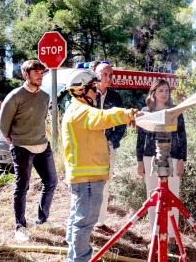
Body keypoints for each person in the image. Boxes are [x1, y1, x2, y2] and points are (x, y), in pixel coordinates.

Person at [62, 69, 139, 262]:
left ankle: (74, 257)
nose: (96, 92)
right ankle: (79, 259)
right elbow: (104, 117)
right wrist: (129, 114)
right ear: (81, 90)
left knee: (77, 220)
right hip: (88, 180)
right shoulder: (81, 112)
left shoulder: (75, 109)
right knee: (84, 223)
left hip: (84, 178)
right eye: (92, 88)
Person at [0, 60, 58, 242]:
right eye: (36, 72)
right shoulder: (15, 96)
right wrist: (13, 139)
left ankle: (42, 220)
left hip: (42, 144)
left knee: (51, 181)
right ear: (26, 75)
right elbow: (3, 124)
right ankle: (20, 226)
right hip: (22, 147)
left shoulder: (45, 96)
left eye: (42, 72)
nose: (40, 75)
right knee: (22, 187)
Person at [136, 79, 187, 253]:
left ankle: (172, 238)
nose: (165, 94)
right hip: (150, 157)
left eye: (167, 91)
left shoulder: (175, 111)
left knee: (173, 196)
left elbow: (182, 136)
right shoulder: (146, 112)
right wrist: (139, 161)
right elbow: (140, 138)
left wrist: (182, 159)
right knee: (153, 198)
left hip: (172, 157)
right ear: (154, 93)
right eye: (161, 91)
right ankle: (155, 236)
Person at [94, 62, 126, 229]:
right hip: (89, 145)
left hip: (107, 144)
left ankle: (100, 220)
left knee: (106, 181)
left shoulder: (115, 97)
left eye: (110, 75)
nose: (108, 78)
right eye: (105, 74)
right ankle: (88, 218)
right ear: (96, 75)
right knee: (89, 182)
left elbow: (121, 122)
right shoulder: (88, 94)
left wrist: (113, 141)